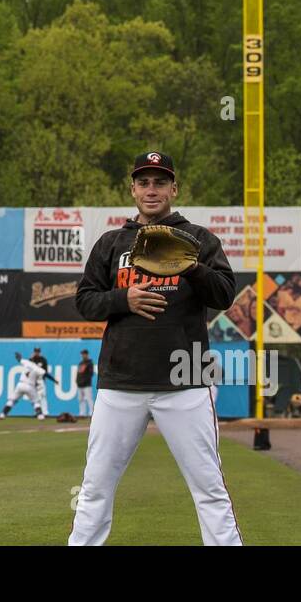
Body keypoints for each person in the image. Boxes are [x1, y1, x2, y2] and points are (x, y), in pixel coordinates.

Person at [68, 151, 241, 547]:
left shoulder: (198, 239)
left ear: (174, 189)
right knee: (95, 488)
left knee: (209, 489)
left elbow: (225, 295)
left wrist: (191, 267)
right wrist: (122, 299)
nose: (152, 189)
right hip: (121, 381)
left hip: (186, 380)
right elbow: (85, 301)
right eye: (143, 182)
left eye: (160, 182)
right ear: (132, 190)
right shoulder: (112, 243)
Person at [0, 352, 47, 419]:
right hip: (30, 386)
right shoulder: (38, 368)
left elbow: (19, 359)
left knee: (11, 400)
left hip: (20, 385)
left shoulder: (26, 362)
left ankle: (2, 414)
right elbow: (46, 374)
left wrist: (17, 355)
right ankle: (40, 416)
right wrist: (55, 380)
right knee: (36, 402)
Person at [75, 349, 96, 418]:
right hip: (80, 385)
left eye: (84, 354)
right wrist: (77, 381)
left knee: (89, 399)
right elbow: (79, 373)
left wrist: (84, 381)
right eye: (82, 354)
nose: (82, 355)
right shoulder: (81, 363)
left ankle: (91, 413)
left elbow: (91, 373)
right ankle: (82, 413)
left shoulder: (90, 363)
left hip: (87, 385)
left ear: (87, 354)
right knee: (80, 399)